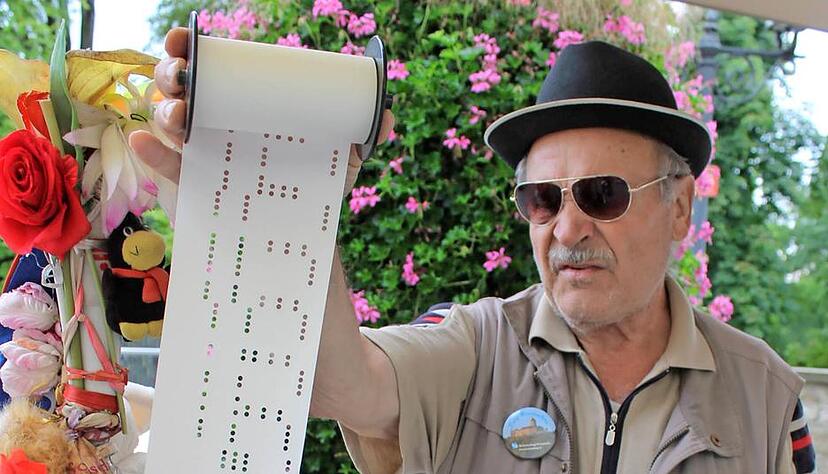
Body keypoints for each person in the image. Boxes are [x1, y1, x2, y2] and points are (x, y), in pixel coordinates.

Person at [132, 28, 816, 474]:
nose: (567, 228)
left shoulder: (766, 393)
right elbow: (344, 384)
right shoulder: (477, 347)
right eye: (542, 200)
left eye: (601, 194)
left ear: (680, 208)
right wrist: (282, 190)